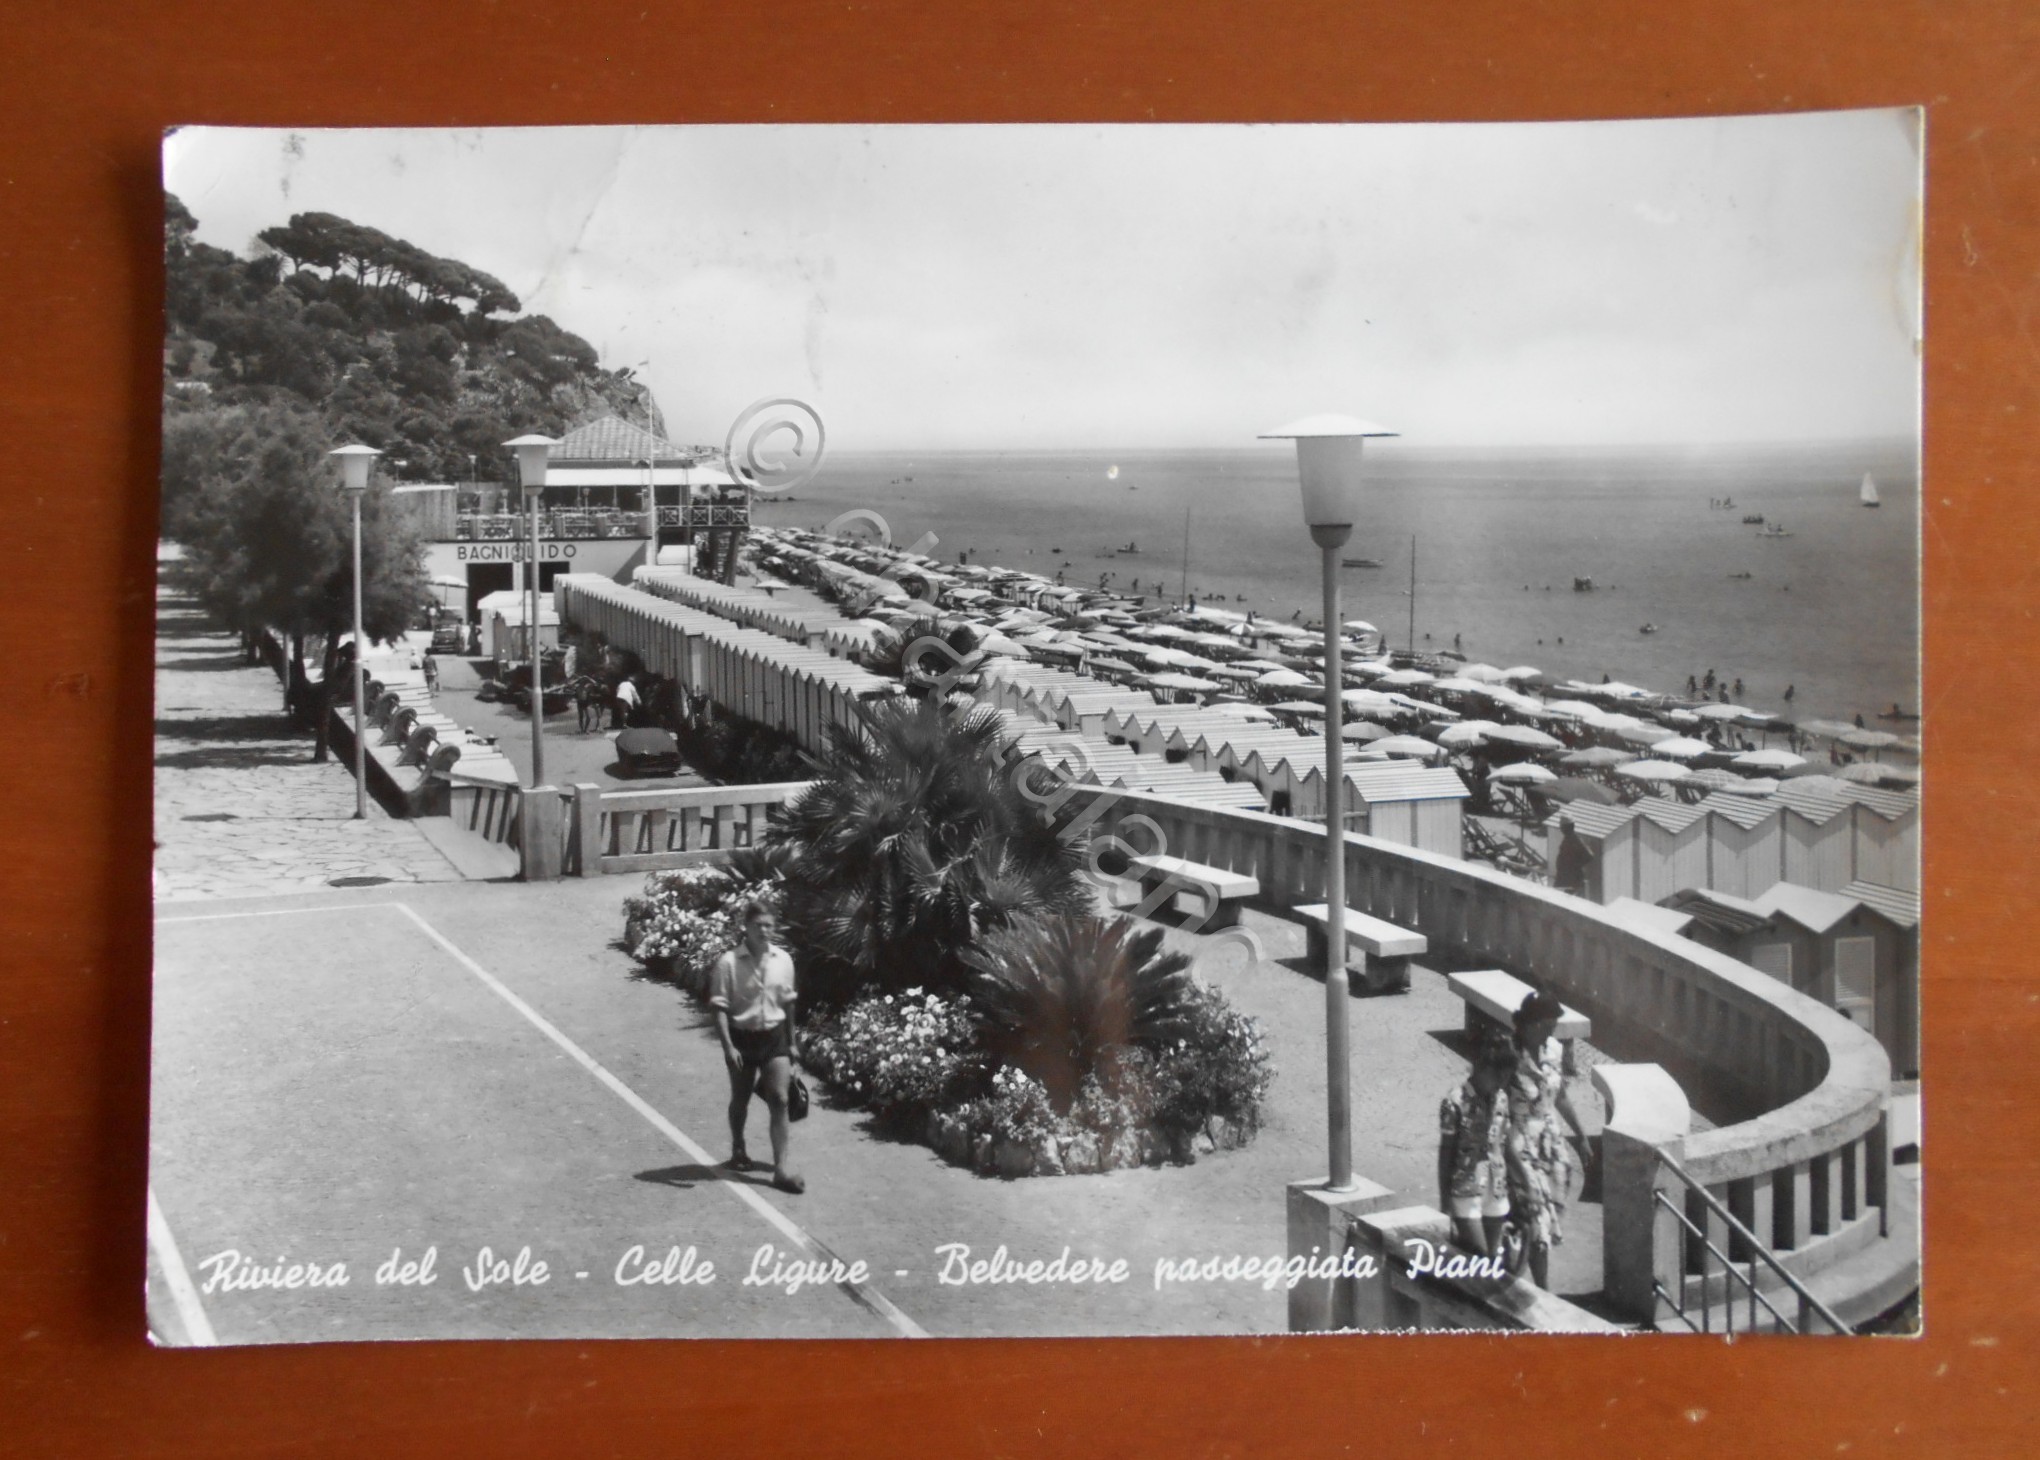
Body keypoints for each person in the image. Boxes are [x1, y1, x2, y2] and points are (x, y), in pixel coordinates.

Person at [709, 902, 804, 1194]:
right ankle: (739, 1146)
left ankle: (781, 1169)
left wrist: (792, 1045)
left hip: (774, 1038)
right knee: (741, 1099)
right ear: (745, 927)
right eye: (758, 925)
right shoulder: (728, 963)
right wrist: (728, 1047)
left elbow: (788, 1004)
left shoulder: (783, 960)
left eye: (769, 925)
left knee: (780, 1099)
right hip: (742, 1038)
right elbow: (719, 1008)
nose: (764, 930)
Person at [1502, 989, 1592, 1290]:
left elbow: (1561, 1095)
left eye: (1553, 1026)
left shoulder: (1553, 1050)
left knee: (1541, 1213)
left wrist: (1580, 1136)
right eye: (1545, 1025)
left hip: (1551, 1145)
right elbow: (1493, 1104)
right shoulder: (1509, 1055)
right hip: (1517, 1143)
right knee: (1536, 1216)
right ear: (1528, 1024)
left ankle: (1511, 1267)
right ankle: (1542, 1290)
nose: (1551, 1032)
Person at [1438, 1030, 1516, 1263]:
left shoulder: (1501, 1097)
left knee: (1493, 1260)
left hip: (1496, 1186)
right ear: (1483, 1069)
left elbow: (1505, 1143)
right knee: (1480, 1259)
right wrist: (1445, 1204)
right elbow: (1446, 1153)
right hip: (1465, 1190)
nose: (1501, 1084)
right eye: (1499, 1077)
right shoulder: (1455, 1102)